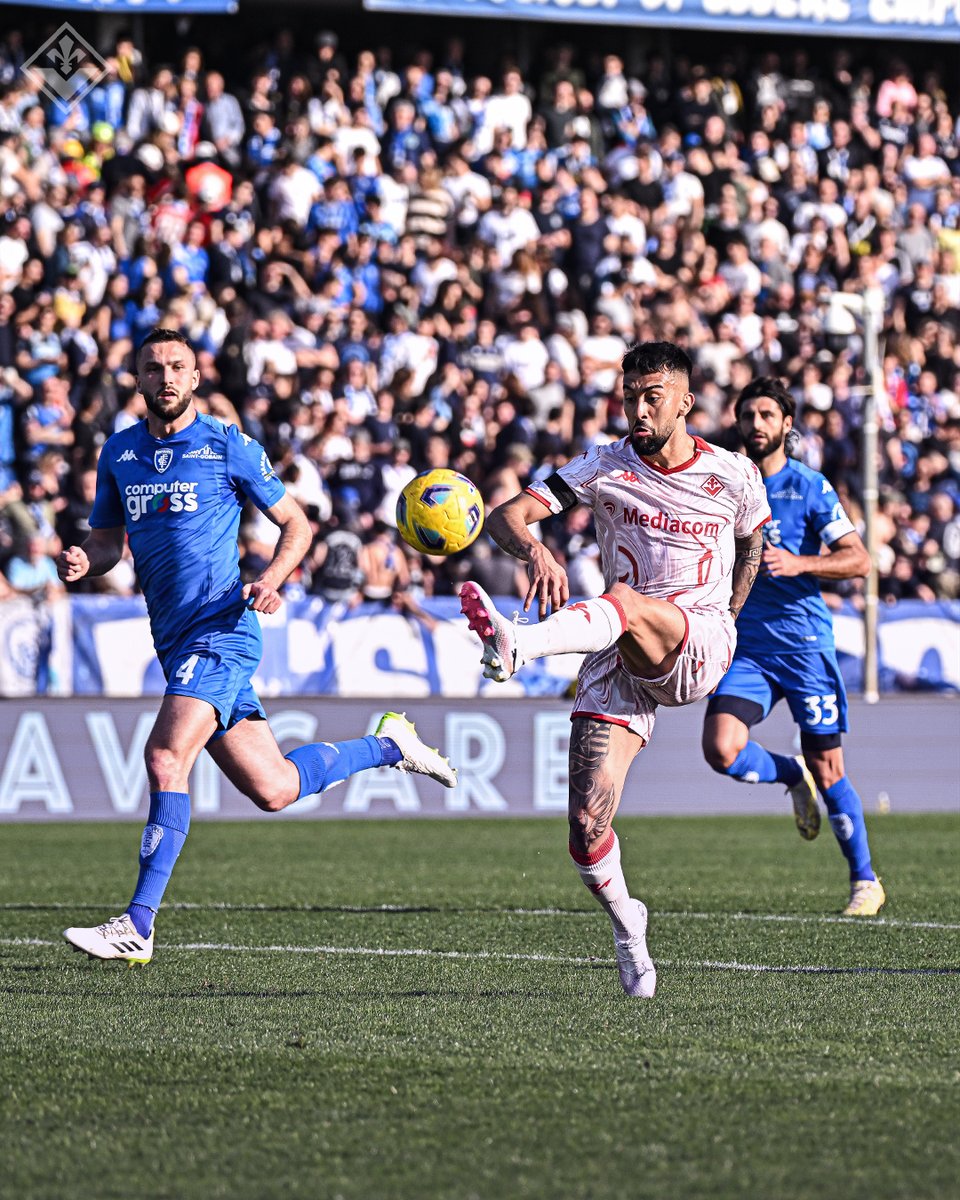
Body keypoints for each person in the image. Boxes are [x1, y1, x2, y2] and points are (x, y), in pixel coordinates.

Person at [58, 329, 457, 965]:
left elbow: (297, 524)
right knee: (273, 788)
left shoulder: (226, 445)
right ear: (136, 379)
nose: (165, 377)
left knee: (166, 757)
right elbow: (109, 542)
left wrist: (271, 579)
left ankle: (137, 922)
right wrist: (87, 558)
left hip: (222, 630)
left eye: (177, 367)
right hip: (174, 639)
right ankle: (390, 745)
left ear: (195, 377)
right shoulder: (119, 453)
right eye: (153, 368)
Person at [459, 342, 771, 998]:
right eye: (630, 393)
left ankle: (522, 645)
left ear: (685, 401)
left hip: (696, 638)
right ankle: (630, 929)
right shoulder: (602, 466)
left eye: (652, 394)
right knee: (585, 825)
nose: (638, 406)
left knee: (625, 603)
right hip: (618, 645)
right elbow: (505, 516)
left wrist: (733, 614)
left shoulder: (734, 474)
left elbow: (752, 543)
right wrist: (535, 548)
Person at [700, 376, 884, 917]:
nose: (755, 424)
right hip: (749, 649)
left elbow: (859, 559)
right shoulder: (724, 485)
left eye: (765, 415)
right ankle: (789, 774)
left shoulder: (809, 487)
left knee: (831, 768)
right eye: (747, 415)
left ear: (786, 425)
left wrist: (802, 563)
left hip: (804, 648)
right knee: (721, 750)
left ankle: (866, 881)